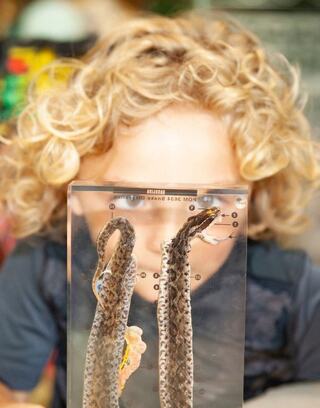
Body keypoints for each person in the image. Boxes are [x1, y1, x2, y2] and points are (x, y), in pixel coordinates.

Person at [0, 11, 319, 408]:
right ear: (72, 189)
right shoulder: (43, 266)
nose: (169, 243)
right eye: (131, 200)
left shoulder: (292, 286)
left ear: (254, 193)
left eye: (207, 204)